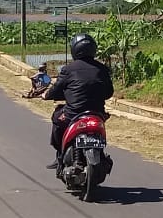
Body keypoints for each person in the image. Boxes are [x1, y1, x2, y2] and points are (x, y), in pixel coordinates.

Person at [42, 33, 114, 169]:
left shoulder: (68, 69)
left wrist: (46, 95)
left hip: (73, 113)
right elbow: (109, 92)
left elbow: (56, 89)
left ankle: (60, 155)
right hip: (97, 113)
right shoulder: (102, 69)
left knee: (57, 117)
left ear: (74, 50)